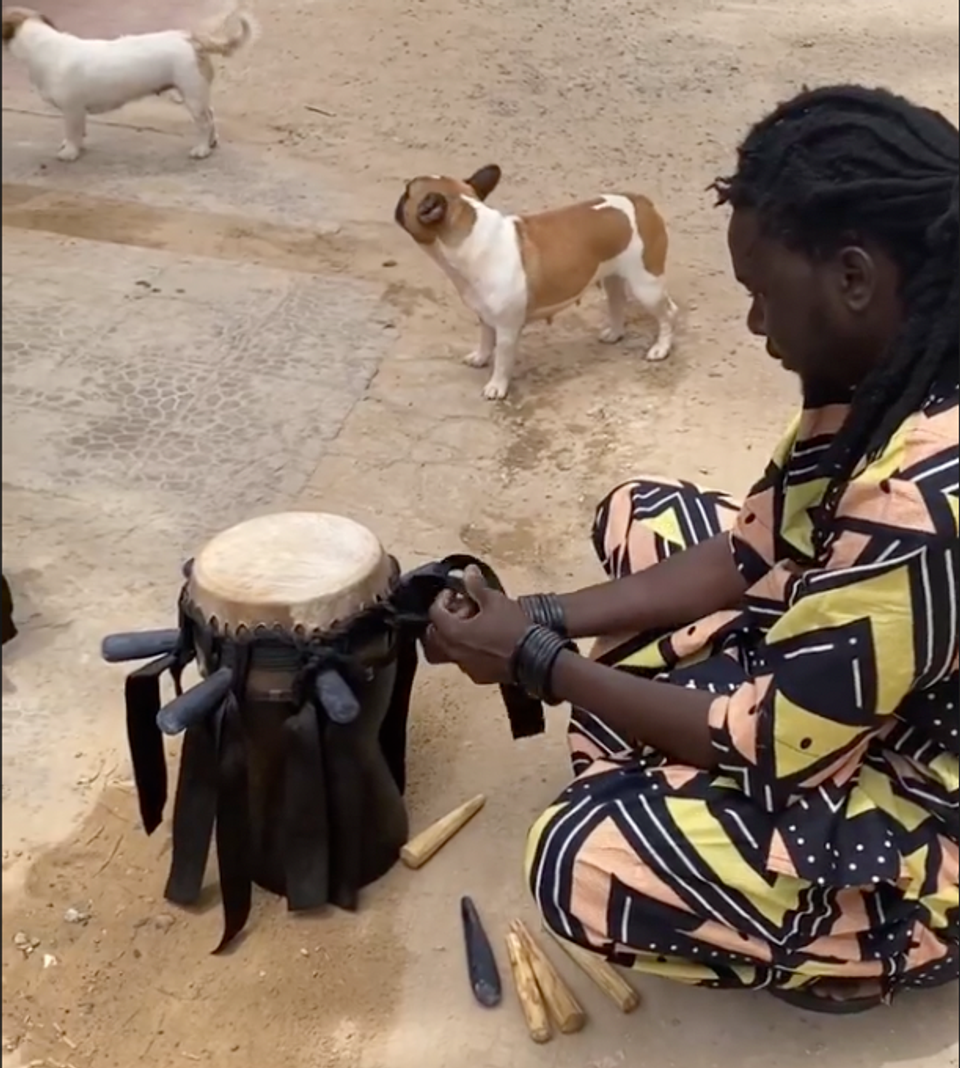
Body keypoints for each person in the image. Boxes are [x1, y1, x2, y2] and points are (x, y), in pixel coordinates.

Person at [425, 84, 959, 1014]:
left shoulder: (925, 503)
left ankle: (877, 938)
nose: (755, 327)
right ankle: (651, 748)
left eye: (760, 295)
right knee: (646, 511)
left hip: (930, 777)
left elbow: (769, 741)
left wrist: (538, 661)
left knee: (579, 857)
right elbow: (751, 551)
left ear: (855, 277)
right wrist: (543, 616)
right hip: (877, 662)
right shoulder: (883, 374)